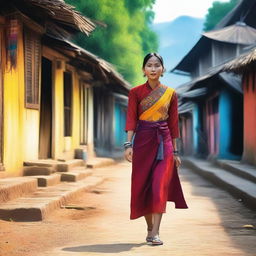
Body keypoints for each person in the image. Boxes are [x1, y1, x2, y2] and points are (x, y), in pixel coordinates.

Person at [124, 53, 188, 246]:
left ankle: (155, 232)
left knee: (159, 185)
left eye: (157, 65)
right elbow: (131, 120)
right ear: (143, 70)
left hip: (164, 140)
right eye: (149, 65)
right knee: (142, 186)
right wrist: (128, 145)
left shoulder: (170, 94)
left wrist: (175, 151)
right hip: (143, 140)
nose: (153, 69)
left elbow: (174, 124)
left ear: (163, 69)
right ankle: (149, 227)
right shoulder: (135, 92)